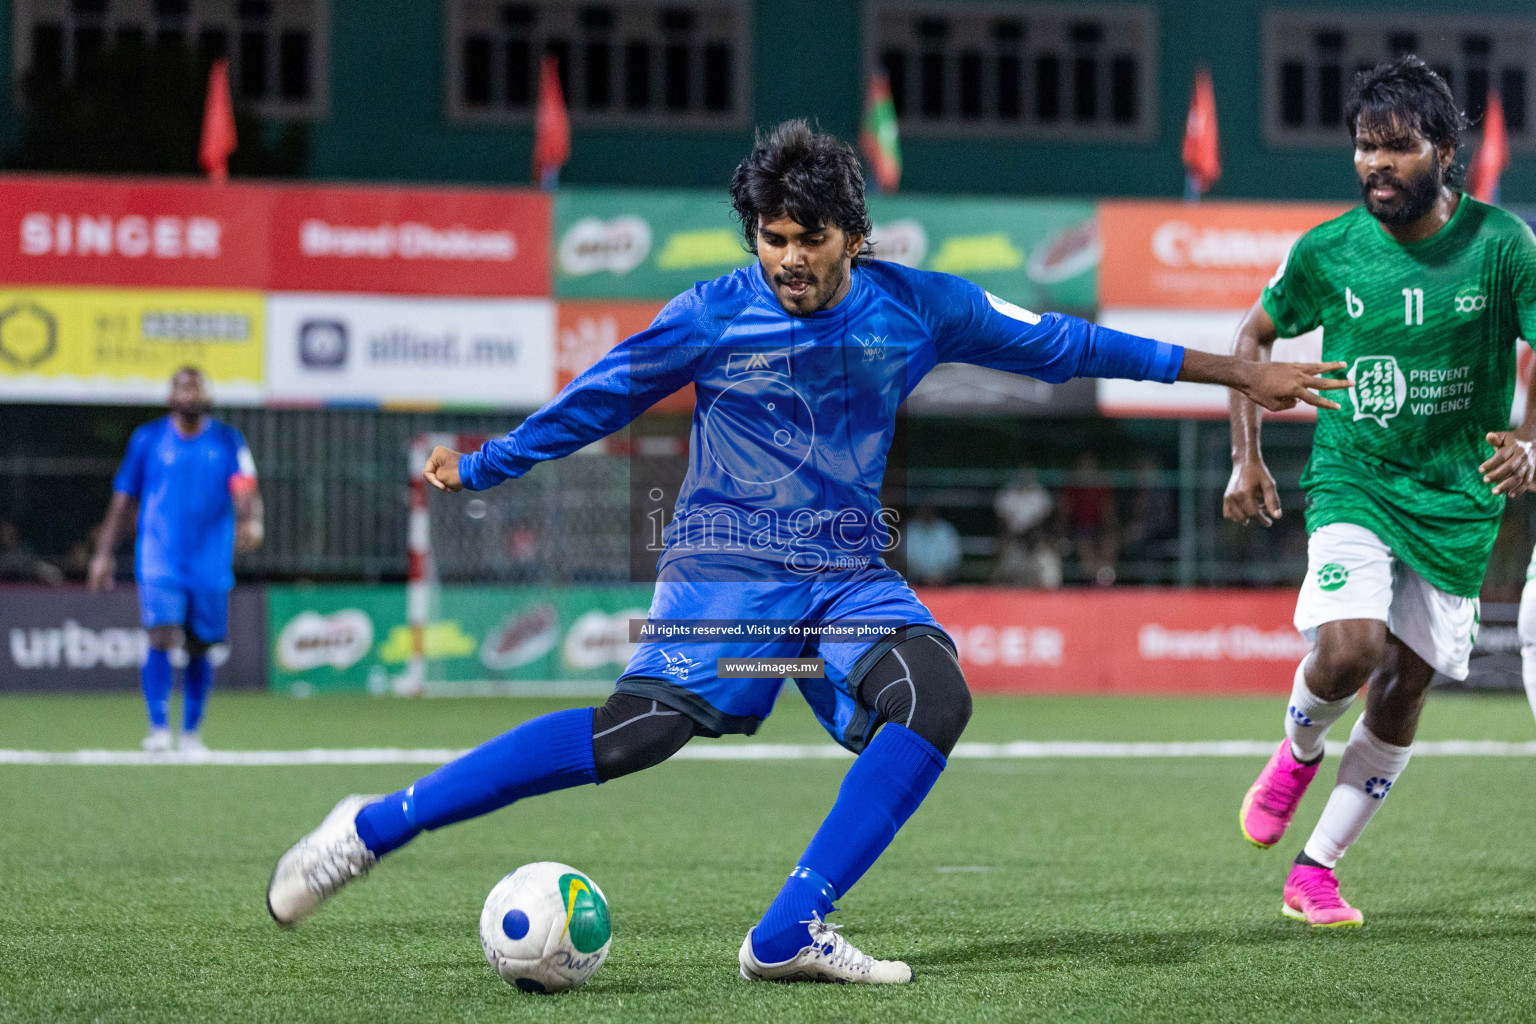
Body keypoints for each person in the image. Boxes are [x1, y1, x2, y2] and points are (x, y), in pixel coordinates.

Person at [267, 120, 1346, 982]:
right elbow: (600, 398)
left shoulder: (918, 307)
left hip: (844, 571)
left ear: (853, 235)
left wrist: (1236, 373)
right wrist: (489, 463)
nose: (788, 259)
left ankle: (787, 931)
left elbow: (1071, 344)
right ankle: (371, 826)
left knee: (936, 698)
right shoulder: (710, 315)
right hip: (727, 561)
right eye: (771, 239)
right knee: (637, 735)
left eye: (809, 239)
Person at [1225, 57, 1536, 927]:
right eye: (1365, 147)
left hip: (1459, 498)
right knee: (1352, 648)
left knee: (1404, 685)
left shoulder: (1503, 245)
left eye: (1396, 148)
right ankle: (1297, 749)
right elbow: (1250, 338)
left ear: (1444, 150)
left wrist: (1532, 441)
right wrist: (1245, 457)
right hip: (1355, 477)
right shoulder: (1329, 249)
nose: (1375, 165)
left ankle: (1315, 869)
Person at [89, 367, 264, 754]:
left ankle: (190, 733)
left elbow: (245, 488)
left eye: (197, 386)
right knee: (162, 634)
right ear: (171, 395)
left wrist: (251, 520)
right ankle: (157, 728)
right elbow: (124, 499)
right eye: (182, 386)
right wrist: (103, 553)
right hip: (159, 557)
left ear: (208, 394)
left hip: (210, 561)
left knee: (201, 645)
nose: (190, 392)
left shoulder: (227, 440)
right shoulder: (148, 439)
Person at [904, 506, 963, 584]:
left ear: (934, 512)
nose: (926, 513)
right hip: (916, 580)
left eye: (928, 510)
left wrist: (938, 574)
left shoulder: (946, 530)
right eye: (923, 511)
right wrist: (924, 575)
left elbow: (953, 558)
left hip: (943, 580)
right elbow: (905, 558)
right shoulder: (911, 530)